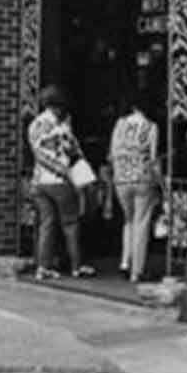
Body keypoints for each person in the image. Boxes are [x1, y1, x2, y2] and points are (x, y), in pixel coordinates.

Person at [27, 84, 92, 280]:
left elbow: (37, 152)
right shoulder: (61, 128)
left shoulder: (34, 125)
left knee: (46, 224)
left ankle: (43, 267)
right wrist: (82, 178)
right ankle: (76, 266)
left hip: (39, 181)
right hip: (60, 181)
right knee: (70, 224)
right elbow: (73, 153)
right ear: (58, 106)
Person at [107, 92, 161, 284]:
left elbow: (112, 154)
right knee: (142, 223)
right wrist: (161, 182)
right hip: (142, 178)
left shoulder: (120, 125)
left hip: (121, 178)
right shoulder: (151, 127)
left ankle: (124, 262)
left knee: (128, 222)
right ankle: (137, 270)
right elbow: (153, 159)